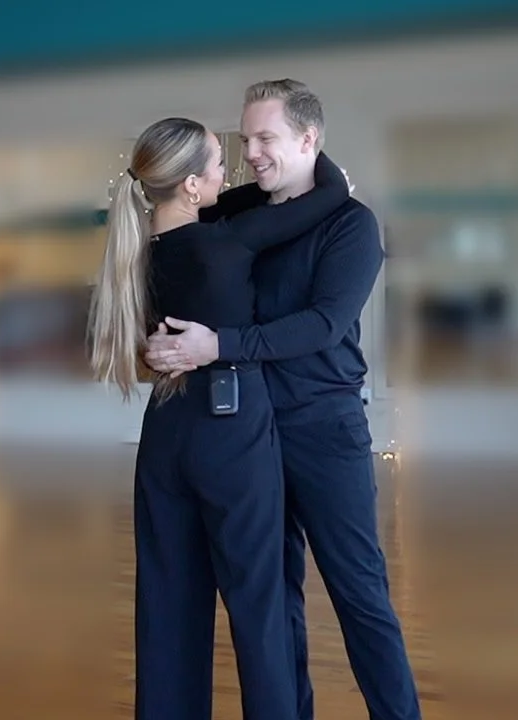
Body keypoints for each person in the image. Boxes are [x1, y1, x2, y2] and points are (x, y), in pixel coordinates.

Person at [144, 79, 422, 720]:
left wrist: (220, 346)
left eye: (267, 138)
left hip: (324, 432)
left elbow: (323, 324)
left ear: (309, 140)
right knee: (276, 602)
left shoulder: (352, 224)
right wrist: (157, 346)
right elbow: (177, 252)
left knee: (360, 597)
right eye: (246, 140)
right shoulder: (239, 213)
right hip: (248, 434)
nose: (254, 152)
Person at [86, 116, 350, 720]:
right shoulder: (226, 243)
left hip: (165, 431)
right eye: (216, 164)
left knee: (168, 604)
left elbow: (216, 200)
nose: (230, 172)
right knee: (259, 605)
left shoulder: (140, 254)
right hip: (231, 427)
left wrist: (204, 187)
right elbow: (331, 193)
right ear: (190, 188)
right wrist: (310, 148)